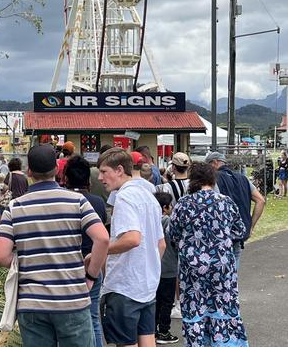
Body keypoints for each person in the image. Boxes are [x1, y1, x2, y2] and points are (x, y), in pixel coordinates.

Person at [0, 144, 110, 347]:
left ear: (29, 171)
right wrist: (90, 275)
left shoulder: (15, 207)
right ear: (57, 169)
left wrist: (31, 259)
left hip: (32, 304)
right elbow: (103, 239)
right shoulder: (77, 201)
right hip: (72, 300)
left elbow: (0, 256)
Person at [167, 162, 249, 347]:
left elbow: (173, 233)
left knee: (195, 308)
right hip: (221, 265)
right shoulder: (225, 202)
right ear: (212, 180)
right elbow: (240, 230)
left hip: (192, 267)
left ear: (192, 180)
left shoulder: (183, 204)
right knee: (222, 305)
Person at [98, 147, 164, 347]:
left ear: (119, 170)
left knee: (125, 343)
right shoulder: (149, 196)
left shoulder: (124, 197)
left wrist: (101, 250)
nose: (100, 178)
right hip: (147, 284)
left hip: (124, 285)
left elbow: (132, 239)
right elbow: (161, 244)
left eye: (104, 171)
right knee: (147, 338)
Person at [66, 156, 110, 347]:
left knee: (66, 320)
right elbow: (104, 236)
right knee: (92, 317)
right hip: (92, 263)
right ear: (88, 180)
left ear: (66, 178)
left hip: (67, 265)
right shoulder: (98, 202)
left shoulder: (63, 201)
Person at [206, 151, 265, 274]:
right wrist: (251, 226)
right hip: (239, 233)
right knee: (233, 273)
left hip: (220, 233)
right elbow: (260, 200)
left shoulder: (213, 179)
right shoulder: (243, 179)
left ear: (215, 162)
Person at [153, 192, 179, 345]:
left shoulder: (151, 220)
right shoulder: (167, 221)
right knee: (167, 301)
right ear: (165, 207)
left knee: (155, 300)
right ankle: (164, 330)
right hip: (168, 266)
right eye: (170, 205)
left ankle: (153, 330)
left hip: (155, 266)